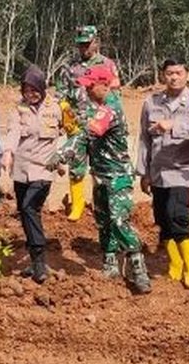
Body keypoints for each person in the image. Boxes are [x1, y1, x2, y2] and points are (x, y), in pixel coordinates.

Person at [51, 63, 150, 294]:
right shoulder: (99, 106)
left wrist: (62, 153)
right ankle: (110, 264)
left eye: (90, 86)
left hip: (117, 176)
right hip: (101, 175)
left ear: (104, 85)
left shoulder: (110, 108)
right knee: (103, 220)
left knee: (118, 221)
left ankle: (138, 267)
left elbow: (87, 134)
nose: (86, 90)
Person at [136, 59, 189, 289]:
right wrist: (143, 172)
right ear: (162, 76)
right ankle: (175, 263)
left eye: (178, 73)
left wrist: (175, 126)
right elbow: (144, 139)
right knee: (163, 219)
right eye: (169, 73)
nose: (174, 77)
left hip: (183, 170)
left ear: (188, 75)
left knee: (178, 217)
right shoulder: (151, 102)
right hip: (158, 171)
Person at [53, 25, 122, 222]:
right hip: (77, 124)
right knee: (76, 165)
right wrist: (64, 111)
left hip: (101, 125)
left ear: (96, 42)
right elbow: (60, 93)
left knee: (101, 166)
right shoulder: (70, 66)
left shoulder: (107, 64)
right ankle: (77, 204)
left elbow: (115, 95)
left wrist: (111, 121)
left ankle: (101, 203)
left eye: (87, 44)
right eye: (80, 45)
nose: (83, 48)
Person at [1, 65, 60, 283]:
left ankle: (38, 261)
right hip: (21, 171)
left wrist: (65, 156)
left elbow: (74, 131)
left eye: (35, 90)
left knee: (29, 208)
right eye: (26, 90)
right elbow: (13, 131)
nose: (30, 94)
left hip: (43, 170)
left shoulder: (57, 107)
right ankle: (35, 262)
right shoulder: (18, 109)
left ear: (42, 88)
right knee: (25, 212)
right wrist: (8, 152)